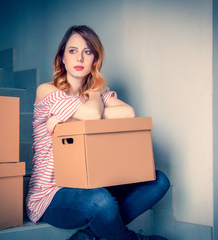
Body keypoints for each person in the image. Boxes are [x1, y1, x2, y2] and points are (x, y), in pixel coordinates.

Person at [26, 25, 170, 240]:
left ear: (95, 59)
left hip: (90, 183)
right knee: (100, 200)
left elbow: (128, 113)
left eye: (88, 52)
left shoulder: (94, 95)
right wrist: (95, 98)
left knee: (159, 181)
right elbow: (93, 114)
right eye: (73, 51)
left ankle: (87, 236)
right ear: (62, 58)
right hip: (51, 195)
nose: (80, 58)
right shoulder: (47, 90)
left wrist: (81, 108)